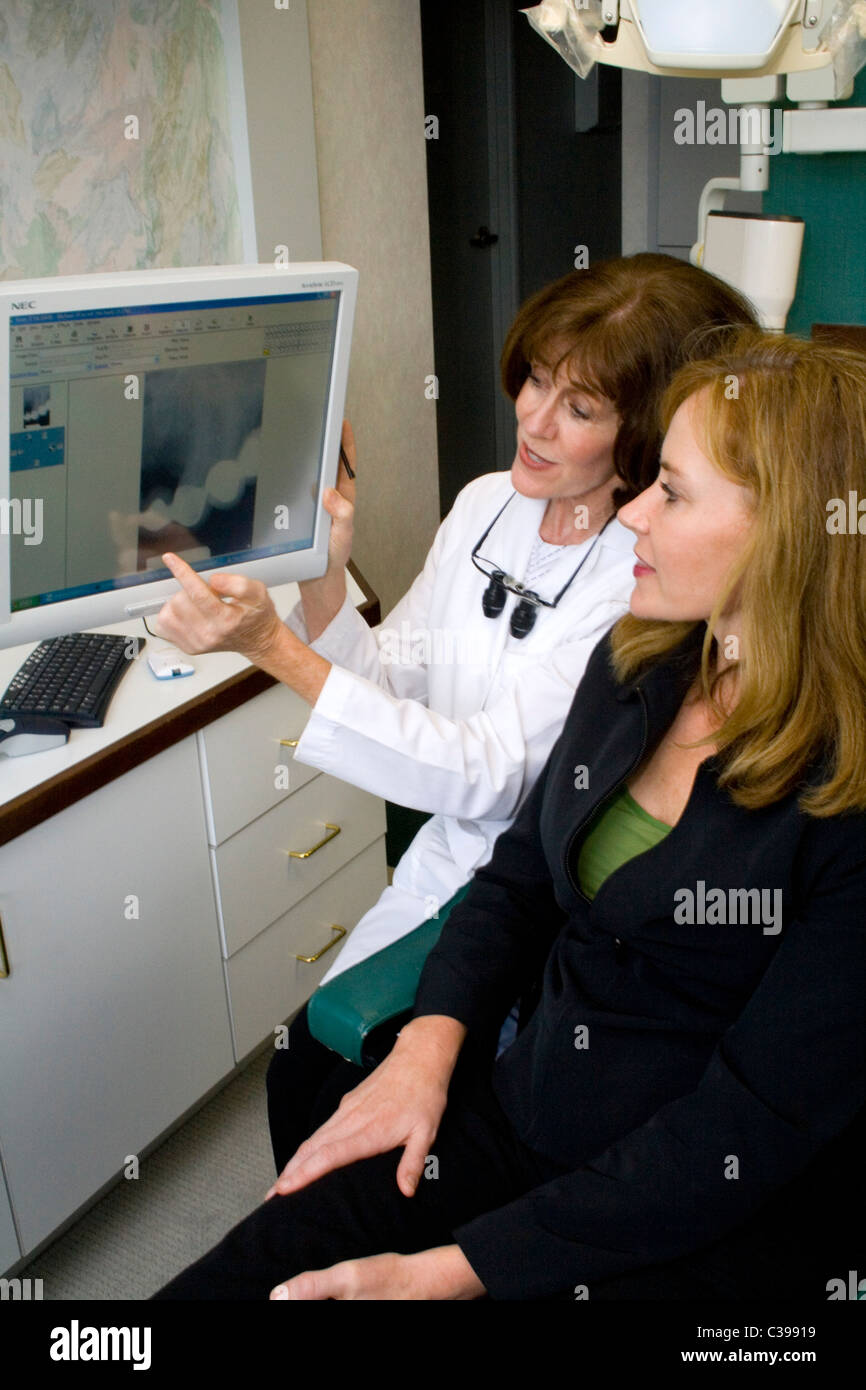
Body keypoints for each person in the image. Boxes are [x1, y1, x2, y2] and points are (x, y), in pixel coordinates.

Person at [153, 328, 865, 1300]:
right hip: (527, 1099)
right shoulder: (641, 659)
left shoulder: (842, 794)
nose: (633, 520)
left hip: (681, 1201)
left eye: (671, 491)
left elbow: (748, 1121)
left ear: (786, 531)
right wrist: (429, 1041)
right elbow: (522, 867)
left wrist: (453, 1269)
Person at [152, 254, 758, 1166]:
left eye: (580, 408)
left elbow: (487, 775)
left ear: (647, 435)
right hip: (443, 860)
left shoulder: (641, 581)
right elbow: (396, 675)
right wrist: (324, 573)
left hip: (531, 886)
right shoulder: (487, 504)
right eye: (537, 380)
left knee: (352, 1109)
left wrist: (272, 650)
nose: (535, 420)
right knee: (302, 1076)